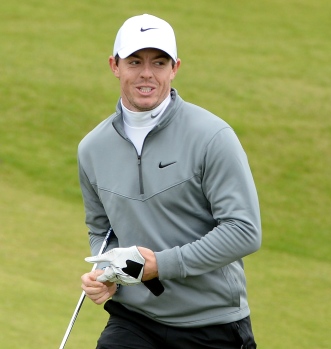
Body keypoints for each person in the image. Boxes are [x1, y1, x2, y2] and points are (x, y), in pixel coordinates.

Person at [78, 14, 261, 349]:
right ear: (114, 65)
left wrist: (160, 265)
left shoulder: (212, 136)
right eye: (134, 61)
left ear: (174, 68)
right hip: (133, 320)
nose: (147, 73)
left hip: (211, 323)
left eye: (158, 62)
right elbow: (101, 230)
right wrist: (107, 275)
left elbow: (244, 231)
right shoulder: (93, 148)